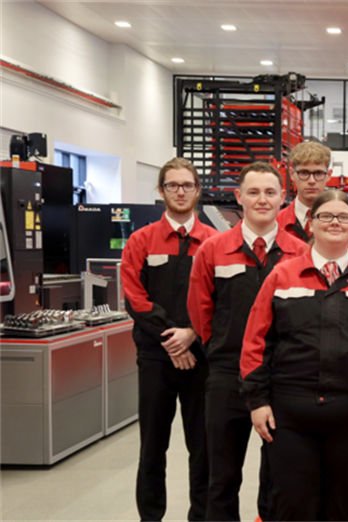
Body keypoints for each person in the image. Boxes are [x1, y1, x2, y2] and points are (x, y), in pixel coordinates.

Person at [241, 189, 348, 520]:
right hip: (290, 413)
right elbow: (256, 341)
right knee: (292, 503)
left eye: (344, 217)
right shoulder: (282, 276)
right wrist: (257, 401)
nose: (335, 222)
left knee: (343, 503)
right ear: (311, 222)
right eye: (326, 216)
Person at [187, 162, 308, 520]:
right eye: (253, 192)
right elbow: (200, 311)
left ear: (283, 197)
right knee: (221, 477)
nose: (262, 199)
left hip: (281, 377)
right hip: (226, 376)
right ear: (238, 197)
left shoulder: (300, 252)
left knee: (278, 478)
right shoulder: (213, 250)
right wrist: (222, 349)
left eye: (270, 192)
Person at [122, 157, 218, 521]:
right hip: (156, 358)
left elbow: (219, 299)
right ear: (161, 190)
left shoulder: (214, 242)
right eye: (172, 185)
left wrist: (191, 333)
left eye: (187, 185)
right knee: (152, 447)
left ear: (197, 190)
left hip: (201, 357)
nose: (180, 192)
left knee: (203, 448)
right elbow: (135, 298)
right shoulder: (141, 241)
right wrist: (172, 340)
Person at [277, 141, 331, 242]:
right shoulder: (275, 224)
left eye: (318, 173)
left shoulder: (343, 226)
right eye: (304, 173)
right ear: (292, 174)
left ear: (328, 175)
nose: (311, 181)